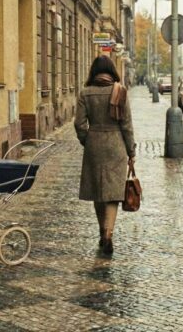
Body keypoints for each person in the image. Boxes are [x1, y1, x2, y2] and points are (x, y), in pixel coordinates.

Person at [75, 55, 135, 255]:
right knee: (112, 195)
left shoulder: (85, 93)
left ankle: (102, 232)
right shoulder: (120, 91)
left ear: (94, 72)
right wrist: (131, 151)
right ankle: (108, 234)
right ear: (112, 71)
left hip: (94, 144)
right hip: (116, 144)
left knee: (97, 192)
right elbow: (126, 126)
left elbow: (79, 124)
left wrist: (87, 140)